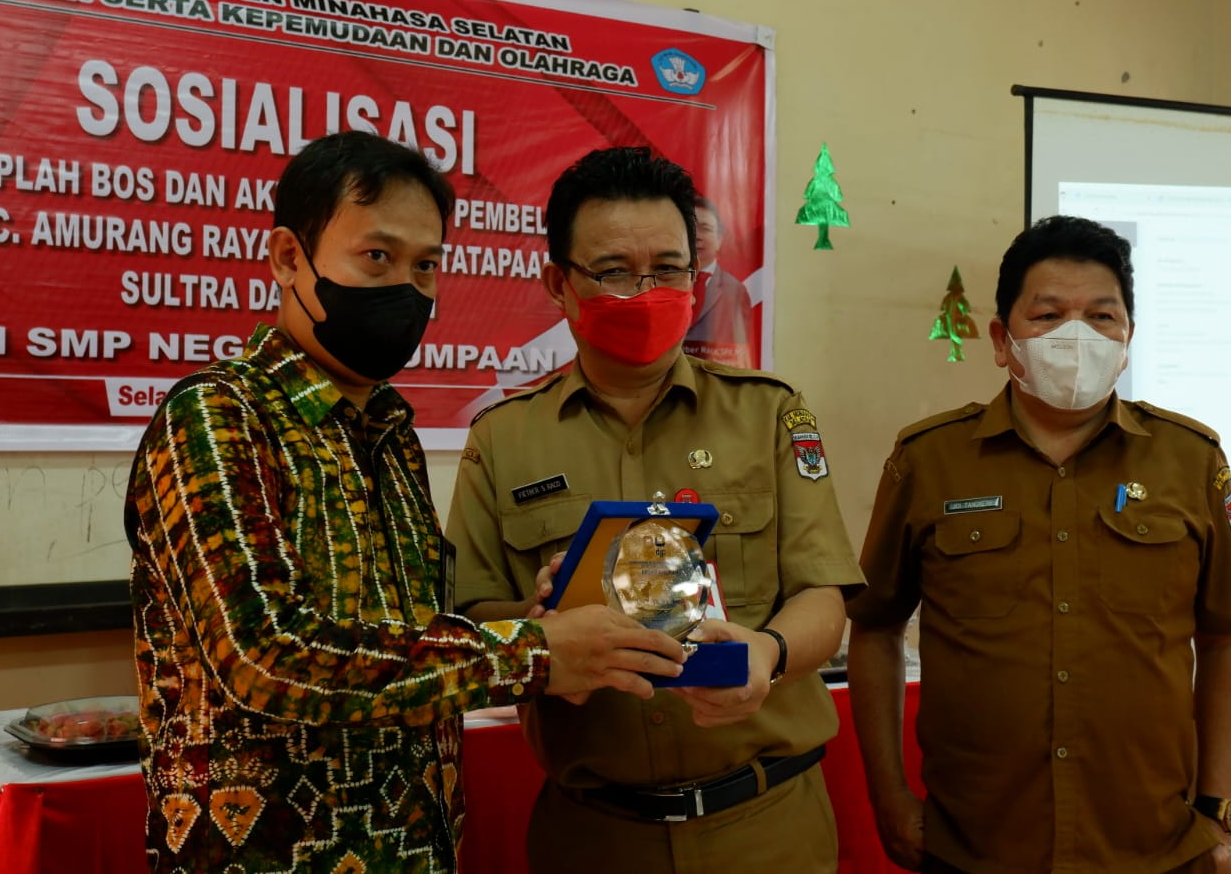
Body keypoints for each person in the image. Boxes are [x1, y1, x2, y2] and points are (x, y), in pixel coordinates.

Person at [124, 131, 685, 873]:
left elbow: (409, 641)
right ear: (289, 258)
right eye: (377, 257)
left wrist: (541, 619)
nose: (407, 289)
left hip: (416, 849)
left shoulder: (390, 433)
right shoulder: (218, 417)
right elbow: (266, 657)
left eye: (425, 266)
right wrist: (534, 655)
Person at [445, 146, 864, 873]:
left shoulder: (769, 414)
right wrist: (541, 637)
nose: (645, 291)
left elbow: (823, 596)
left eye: (669, 269)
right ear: (559, 284)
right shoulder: (502, 440)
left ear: (697, 276)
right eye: (613, 270)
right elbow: (469, 621)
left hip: (767, 829)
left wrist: (766, 655)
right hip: (594, 839)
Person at [846, 215, 1231, 874]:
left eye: (1101, 316)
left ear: (1127, 338)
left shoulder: (1191, 459)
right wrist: (890, 797)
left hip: (1153, 846)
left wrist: (1220, 806)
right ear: (1001, 340)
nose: (1077, 335)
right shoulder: (929, 460)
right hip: (973, 847)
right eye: (1048, 316)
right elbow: (874, 628)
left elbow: (1227, 639)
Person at [682, 195, 755, 368]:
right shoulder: (661, 281)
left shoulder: (735, 291)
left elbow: (741, 350)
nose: (696, 236)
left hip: (715, 376)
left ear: (719, 240)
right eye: (690, 228)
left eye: (705, 228)